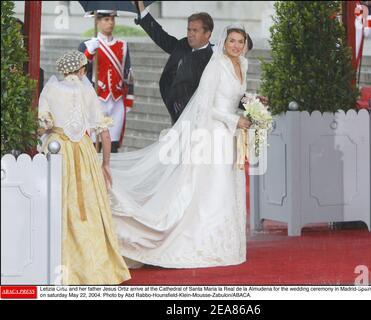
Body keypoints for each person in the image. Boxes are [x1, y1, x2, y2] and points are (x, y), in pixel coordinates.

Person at [108, 25, 252, 268]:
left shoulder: (243, 65)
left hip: (230, 137)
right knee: (212, 190)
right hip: (213, 134)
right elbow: (206, 107)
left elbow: (235, 97)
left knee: (227, 188)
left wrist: (253, 103)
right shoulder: (216, 66)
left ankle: (225, 242)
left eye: (240, 41)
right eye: (231, 41)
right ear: (223, 43)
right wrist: (233, 119)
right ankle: (203, 242)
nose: (236, 46)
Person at [37, 50, 131, 284]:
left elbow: (42, 125)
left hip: (56, 148)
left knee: (56, 202)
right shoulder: (86, 90)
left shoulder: (49, 88)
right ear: (81, 71)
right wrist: (106, 164)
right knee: (88, 207)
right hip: (84, 151)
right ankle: (92, 268)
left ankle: (53, 264)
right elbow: (105, 134)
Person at [134, 1, 214, 124]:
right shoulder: (183, 45)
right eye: (189, 30)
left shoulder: (214, 57)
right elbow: (161, 37)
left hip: (202, 121)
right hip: (177, 117)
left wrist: (251, 104)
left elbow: (230, 87)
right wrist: (141, 9)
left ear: (207, 34)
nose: (190, 34)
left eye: (195, 30)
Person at [78, 10, 134, 153]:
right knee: (94, 145)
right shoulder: (87, 45)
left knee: (113, 145)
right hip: (96, 100)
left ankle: (110, 174)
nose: (110, 23)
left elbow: (128, 74)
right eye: (106, 19)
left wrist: (128, 100)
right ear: (97, 21)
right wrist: (89, 52)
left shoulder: (123, 45)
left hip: (116, 100)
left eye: (112, 19)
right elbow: (79, 72)